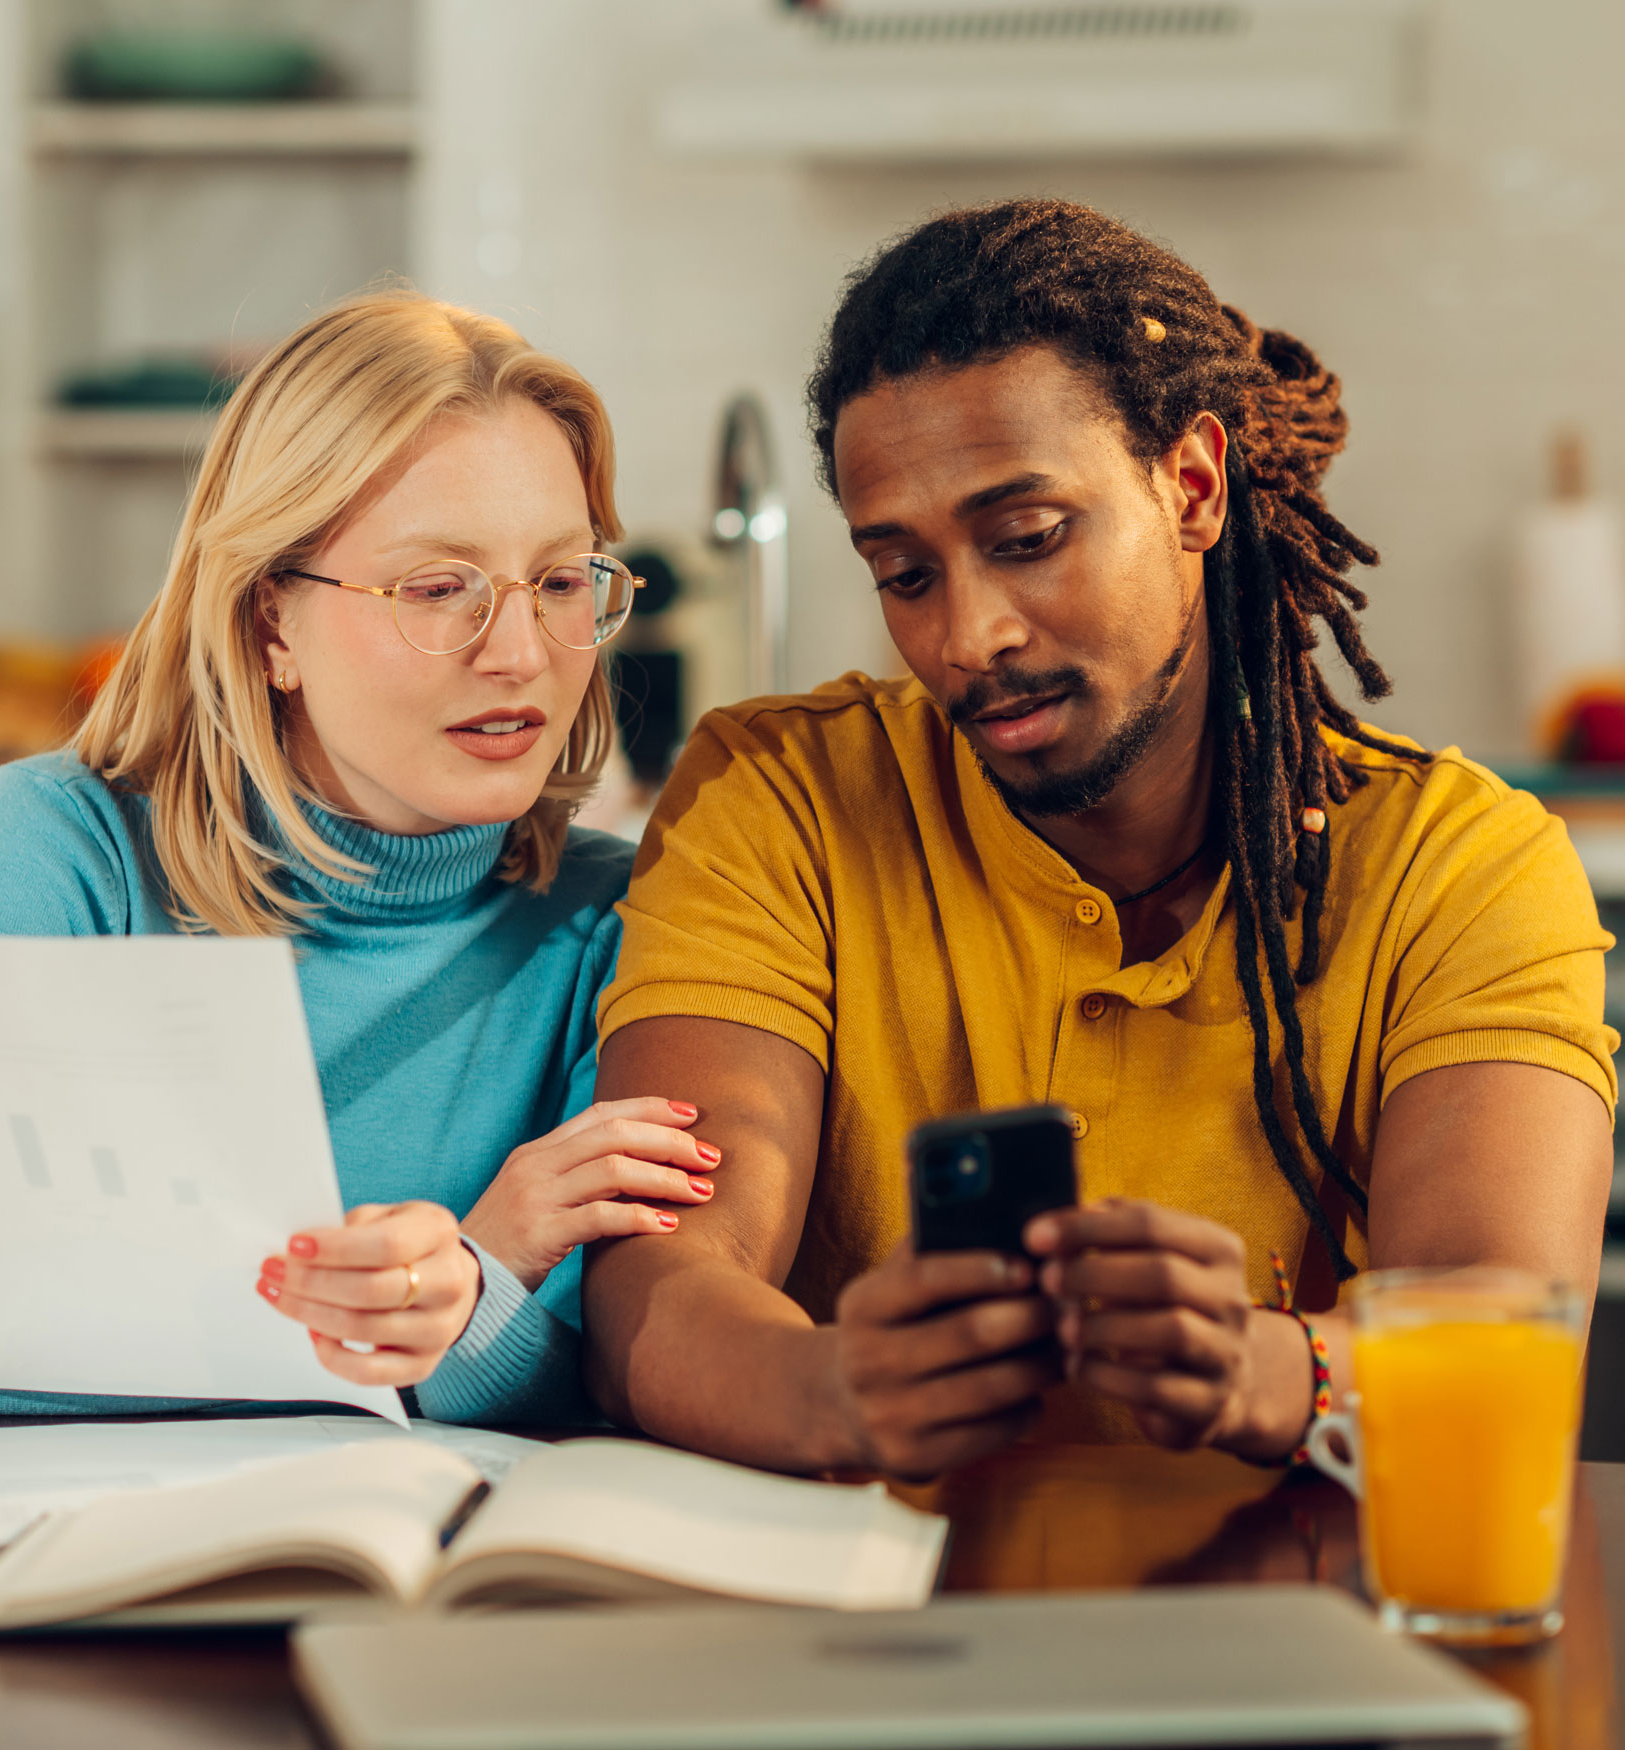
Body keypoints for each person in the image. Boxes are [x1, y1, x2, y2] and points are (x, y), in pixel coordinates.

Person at [584, 199, 1616, 1478]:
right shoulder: (780, 796)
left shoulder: (1457, 865)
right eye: (905, 574)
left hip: (1297, 1631)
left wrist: (1264, 1366)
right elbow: (666, 1268)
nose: (971, 637)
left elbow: (1506, 1326)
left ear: (1191, 485)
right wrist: (826, 1387)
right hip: (876, 1631)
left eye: (1028, 540)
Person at [0, 292, 720, 1419]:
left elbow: (599, 1390)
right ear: (268, 625)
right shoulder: (65, 848)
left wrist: (461, 1306)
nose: (520, 652)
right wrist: (456, 1284)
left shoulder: (616, 923)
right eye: (438, 589)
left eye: (558, 582)